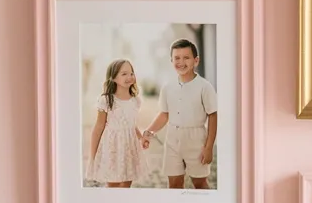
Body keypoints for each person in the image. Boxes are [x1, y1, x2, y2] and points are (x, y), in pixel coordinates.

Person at [141, 39, 217, 190]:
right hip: (172, 140)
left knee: (200, 183)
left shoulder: (205, 87)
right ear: (171, 61)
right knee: (174, 184)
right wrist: (149, 132)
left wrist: (209, 148)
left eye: (186, 57)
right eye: (177, 58)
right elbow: (164, 114)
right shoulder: (168, 88)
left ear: (196, 61)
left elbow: (213, 116)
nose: (181, 62)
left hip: (196, 139)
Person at [86, 59, 145, 188]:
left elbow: (131, 125)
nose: (129, 77)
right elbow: (98, 127)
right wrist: (92, 155)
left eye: (131, 73)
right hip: (112, 148)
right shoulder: (107, 100)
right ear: (113, 78)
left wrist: (141, 138)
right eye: (124, 74)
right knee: (113, 185)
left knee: (126, 184)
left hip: (129, 148)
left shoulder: (135, 101)